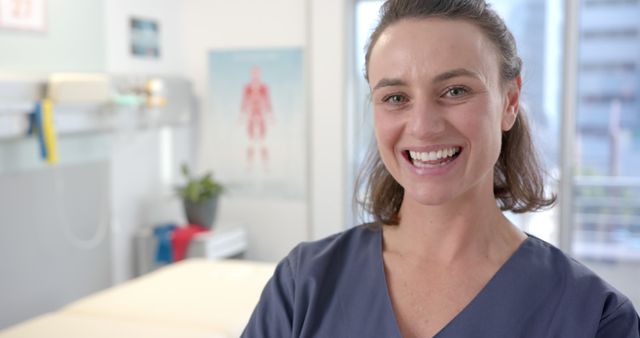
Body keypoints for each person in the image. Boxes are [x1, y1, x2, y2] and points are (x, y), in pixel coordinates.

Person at [241, 0, 640, 337]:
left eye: (455, 91)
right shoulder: (303, 285)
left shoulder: (593, 316)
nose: (422, 126)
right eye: (396, 97)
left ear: (510, 101)